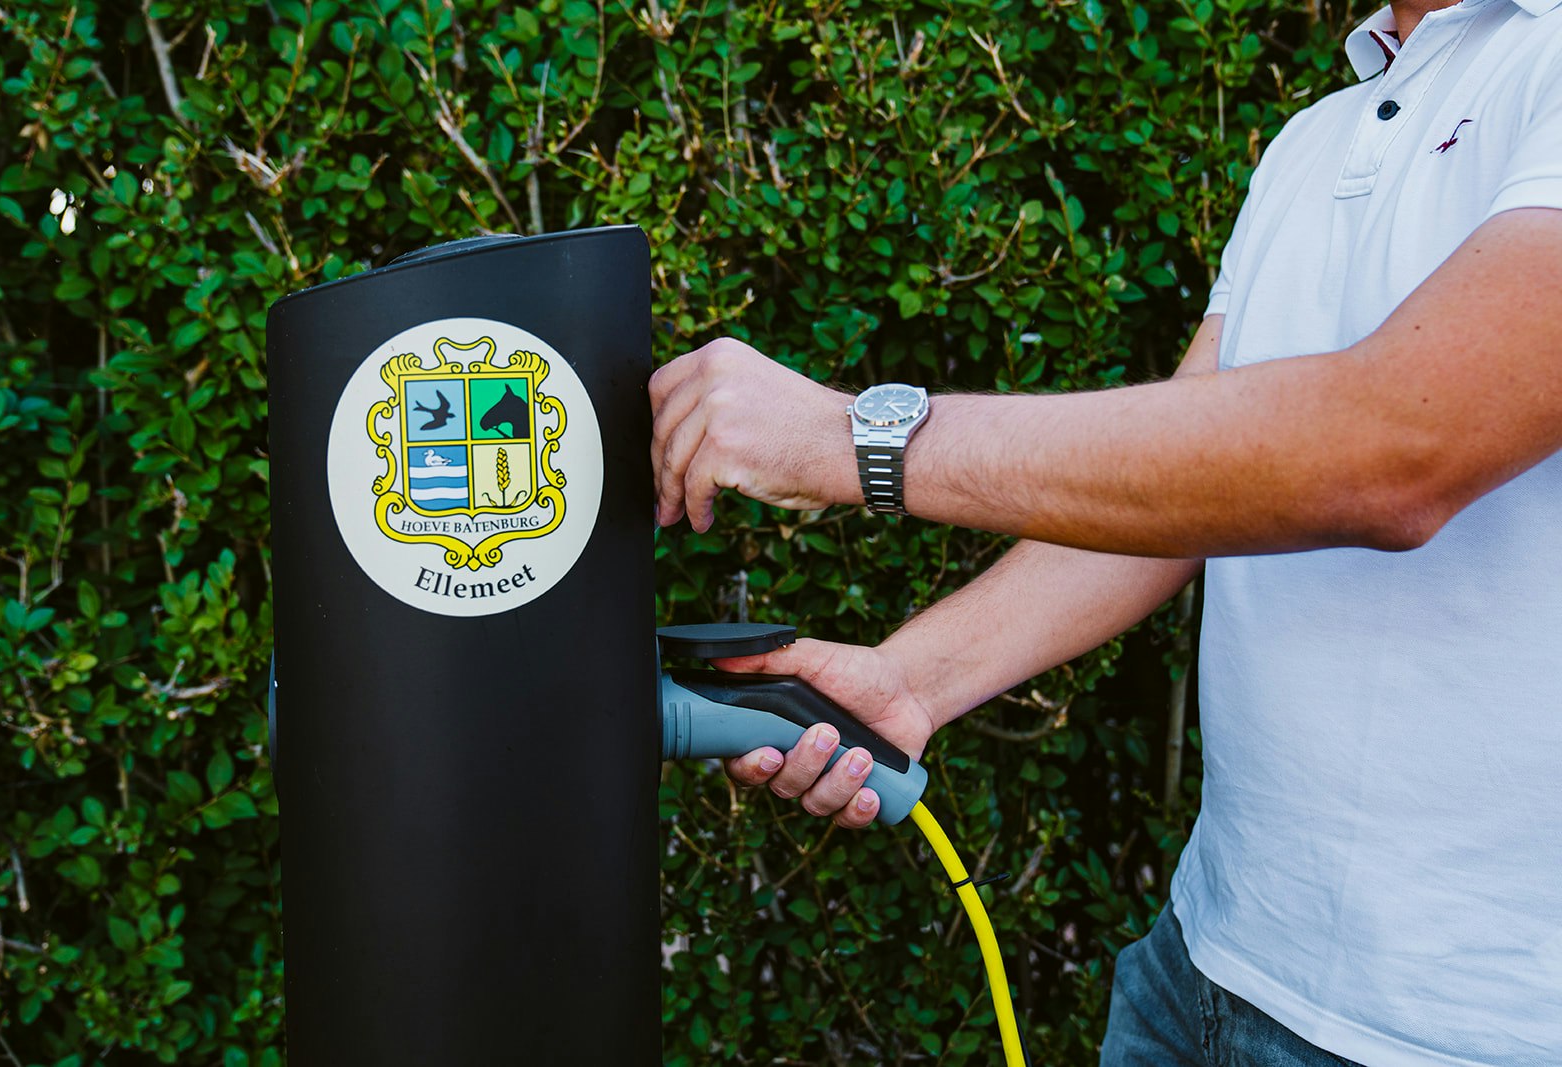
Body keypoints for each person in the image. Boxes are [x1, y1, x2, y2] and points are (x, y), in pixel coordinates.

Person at [648, 0, 1562, 1060]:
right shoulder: (1320, 135)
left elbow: (1398, 449)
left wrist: (855, 439)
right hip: (1203, 967)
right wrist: (916, 678)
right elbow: (1183, 499)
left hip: (1465, 1033)